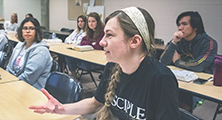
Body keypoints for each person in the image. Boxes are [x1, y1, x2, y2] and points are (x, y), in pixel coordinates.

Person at [29, 6, 180, 119]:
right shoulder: (112, 67)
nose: (102, 42)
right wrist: (61, 109)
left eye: (109, 35)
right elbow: (95, 103)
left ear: (134, 41)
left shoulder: (161, 79)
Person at [160, 11, 218, 112]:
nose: (180, 27)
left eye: (184, 24)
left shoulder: (209, 43)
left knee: (184, 106)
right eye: (179, 24)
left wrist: (177, 61)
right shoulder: (179, 40)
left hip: (199, 83)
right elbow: (163, 61)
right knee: (162, 95)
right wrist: (173, 43)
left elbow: (199, 66)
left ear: (195, 27)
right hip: (181, 78)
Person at [6, 17, 52, 90]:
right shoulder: (20, 45)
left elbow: (28, 78)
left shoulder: (41, 51)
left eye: (31, 28)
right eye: (25, 28)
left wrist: (10, 85)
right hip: (15, 84)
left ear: (37, 31)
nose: (27, 31)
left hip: (31, 90)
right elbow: (9, 66)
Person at [65, 12, 104, 78]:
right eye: (89, 21)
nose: (91, 24)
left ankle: (75, 78)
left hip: (96, 59)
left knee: (72, 59)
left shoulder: (102, 31)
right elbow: (82, 42)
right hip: (88, 54)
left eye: (93, 21)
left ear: (98, 22)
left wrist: (91, 43)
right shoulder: (90, 31)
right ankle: (74, 77)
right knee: (68, 57)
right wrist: (92, 43)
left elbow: (98, 46)